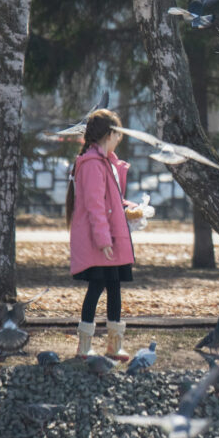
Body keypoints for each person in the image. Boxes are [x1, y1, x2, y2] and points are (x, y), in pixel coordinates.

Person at [66, 109, 143, 360]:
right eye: (117, 134)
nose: (119, 139)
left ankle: (114, 345)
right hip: (100, 241)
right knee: (97, 287)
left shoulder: (106, 163)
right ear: (109, 134)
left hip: (111, 239)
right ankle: (84, 346)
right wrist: (103, 240)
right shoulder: (92, 164)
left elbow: (110, 201)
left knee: (114, 287)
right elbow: (95, 205)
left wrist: (130, 209)